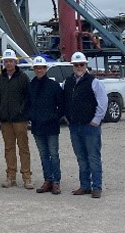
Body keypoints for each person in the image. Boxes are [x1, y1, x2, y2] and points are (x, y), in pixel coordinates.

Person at [63, 52, 108, 199]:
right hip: (74, 126)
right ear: (72, 66)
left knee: (93, 157)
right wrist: (68, 118)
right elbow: (65, 101)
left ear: (86, 65)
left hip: (90, 127)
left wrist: (96, 120)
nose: (78, 67)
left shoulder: (94, 82)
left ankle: (97, 187)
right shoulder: (68, 82)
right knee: (81, 157)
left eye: (81, 64)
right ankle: (84, 185)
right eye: (76, 65)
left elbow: (102, 103)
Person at [0, 49, 32, 189]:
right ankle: (11, 176)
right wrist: (0, 110)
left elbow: (28, 97)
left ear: (15, 62)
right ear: (3, 63)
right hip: (5, 120)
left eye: (11, 61)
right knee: (9, 148)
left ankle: (27, 176)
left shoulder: (23, 78)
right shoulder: (0, 78)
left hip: (20, 119)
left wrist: (21, 111)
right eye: (6, 61)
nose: (8, 64)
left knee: (23, 148)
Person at [28, 55, 63, 195]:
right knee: (43, 154)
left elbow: (62, 105)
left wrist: (54, 118)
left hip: (51, 126)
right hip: (37, 126)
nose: (39, 70)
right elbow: (28, 104)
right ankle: (47, 180)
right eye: (37, 68)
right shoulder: (31, 85)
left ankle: (56, 182)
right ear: (34, 69)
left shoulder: (54, 86)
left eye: (41, 67)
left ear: (46, 69)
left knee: (53, 154)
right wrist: (31, 117)